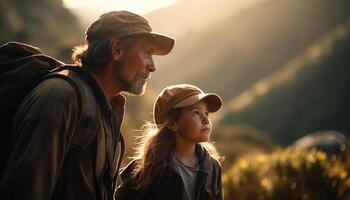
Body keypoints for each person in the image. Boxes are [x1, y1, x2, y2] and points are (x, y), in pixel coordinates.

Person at [0, 11, 174, 200]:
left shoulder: (106, 108)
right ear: (116, 49)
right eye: (147, 53)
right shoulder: (60, 97)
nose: (152, 66)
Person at [115, 84, 224, 200]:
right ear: (173, 124)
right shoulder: (146, 168)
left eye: (206, 113)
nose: (206, 120)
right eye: (196, 113)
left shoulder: (212, 166)